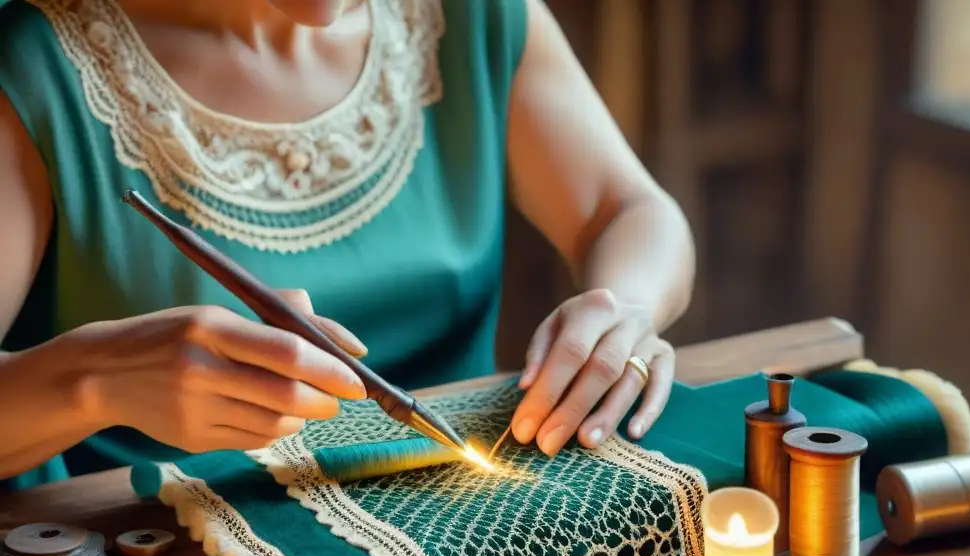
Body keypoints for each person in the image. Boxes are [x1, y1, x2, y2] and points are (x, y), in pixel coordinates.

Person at [0, 0, 695, 489]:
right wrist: (96, 379)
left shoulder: (470, 15)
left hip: (459, 525)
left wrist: (626, 305)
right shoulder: (38, 69)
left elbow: (626, 209)